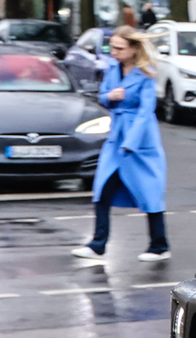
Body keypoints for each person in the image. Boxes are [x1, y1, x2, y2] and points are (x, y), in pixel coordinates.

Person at [73, 26, 171, 262]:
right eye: (112, 47)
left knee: (150, 192)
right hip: (116, 136)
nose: (114, 52)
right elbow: (104, 96)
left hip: (140, 140)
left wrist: (132, 142)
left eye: (119, 48)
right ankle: (98, 244)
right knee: (102, 189)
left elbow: (146, 110)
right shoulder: (112, 68)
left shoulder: (146, 73)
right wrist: (111, 97)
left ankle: (159, 245)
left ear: (133, 48)